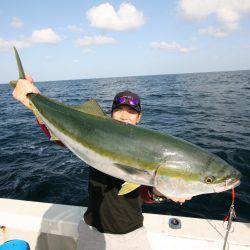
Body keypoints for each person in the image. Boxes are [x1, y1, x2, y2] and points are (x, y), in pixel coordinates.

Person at [12, 76, 192, 249]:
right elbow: (61, 135)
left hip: (132, 233)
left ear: (139, 118)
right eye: (119, 110)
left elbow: (145, 194)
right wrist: (31, 101)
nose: (124, 116)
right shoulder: (96, 136)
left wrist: (161, 190)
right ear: (111, 113)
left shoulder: (148, 149)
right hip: (92, 230)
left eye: (131, 112)